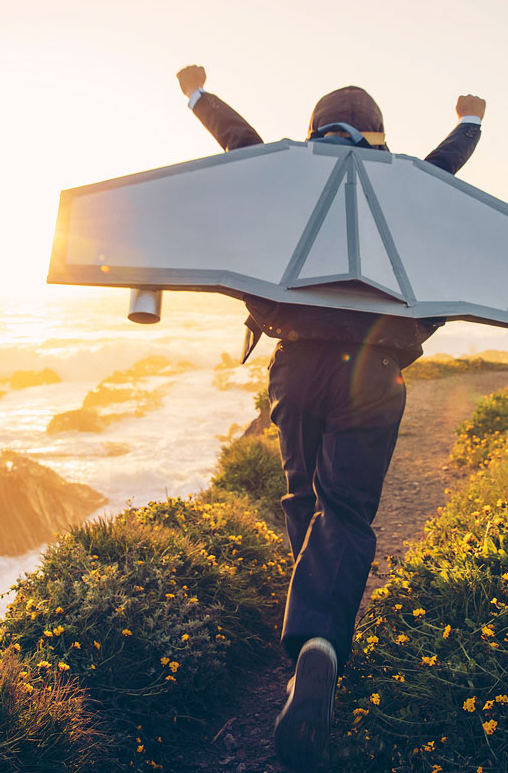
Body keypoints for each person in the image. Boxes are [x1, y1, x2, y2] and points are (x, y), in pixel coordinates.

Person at [177, 64, 484, 769]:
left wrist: (198, 95)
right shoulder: (399, 182)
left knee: (303, 495)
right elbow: (443, 172)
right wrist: (469, 123)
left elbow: (240, 144)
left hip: (297, 361)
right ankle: (318, 642)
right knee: (344, 511)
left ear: (315, 128)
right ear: (377, 135)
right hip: (373, 368)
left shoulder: (292, 173)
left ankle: (311, 619)